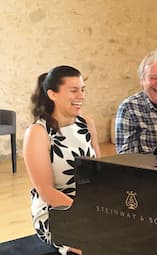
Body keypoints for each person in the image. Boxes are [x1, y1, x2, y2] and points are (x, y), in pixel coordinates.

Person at [23, 65, 101, 255]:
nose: (81, 96)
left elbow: (100, 172)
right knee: (96, 245)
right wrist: (86, 212)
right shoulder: (38, 133)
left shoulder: (87, 123)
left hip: (90, 204)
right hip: (55, 210)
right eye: (74, 90)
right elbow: (46, 191)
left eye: (83, 89)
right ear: (52, 94)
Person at [115, 50, 157, 153]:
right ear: (142, 80)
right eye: (153, 78)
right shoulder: (129, 109)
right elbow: (127, 160)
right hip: (147, 169)